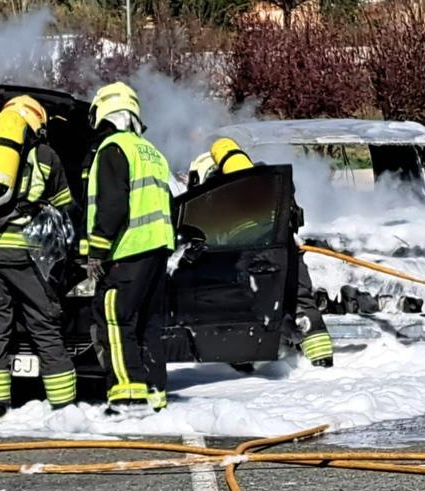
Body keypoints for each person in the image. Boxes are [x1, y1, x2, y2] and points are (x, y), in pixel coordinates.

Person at [0, 95, 78, 425]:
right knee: (45, 327)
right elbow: (65, 206)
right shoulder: (45, 156)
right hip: (23, 254)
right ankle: (64, 407)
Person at [186, 139, 333, 368]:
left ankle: (243, 361)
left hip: (246, 253)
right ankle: (321, 356)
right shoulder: (269, 178)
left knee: (243, 304)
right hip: (286, 248)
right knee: (300, 299)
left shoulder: (217, 189)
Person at [83, 82, 175, 416]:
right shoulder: (152, 152)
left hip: (127, 251)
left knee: (115, 321)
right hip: (157, 252)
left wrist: (97, 250)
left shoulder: (113, 148)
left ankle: (127, 400)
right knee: (148, 324)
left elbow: (112, 206)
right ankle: (154, 396)